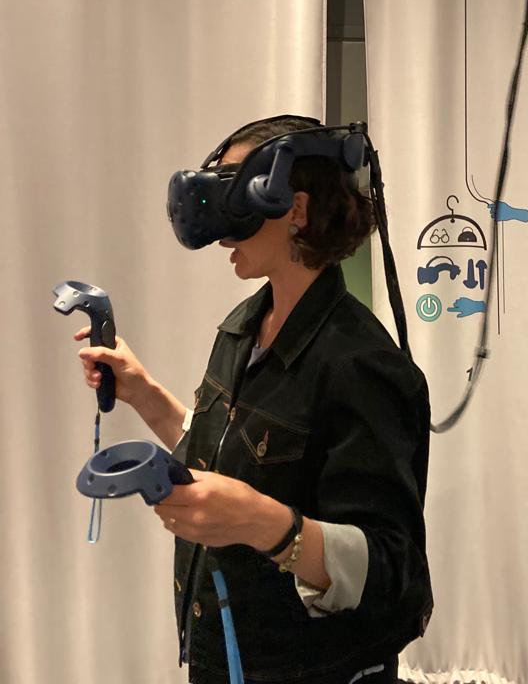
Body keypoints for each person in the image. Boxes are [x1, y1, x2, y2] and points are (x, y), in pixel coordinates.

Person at [76, 115, 433, 684]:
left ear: (296, 209)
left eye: (237, 201)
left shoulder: (361, 365)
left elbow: (393, 571)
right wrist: (144, 393)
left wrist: (265, 524)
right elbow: (235, 454)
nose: (222, 233)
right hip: (224, 659)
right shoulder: (243, 327)